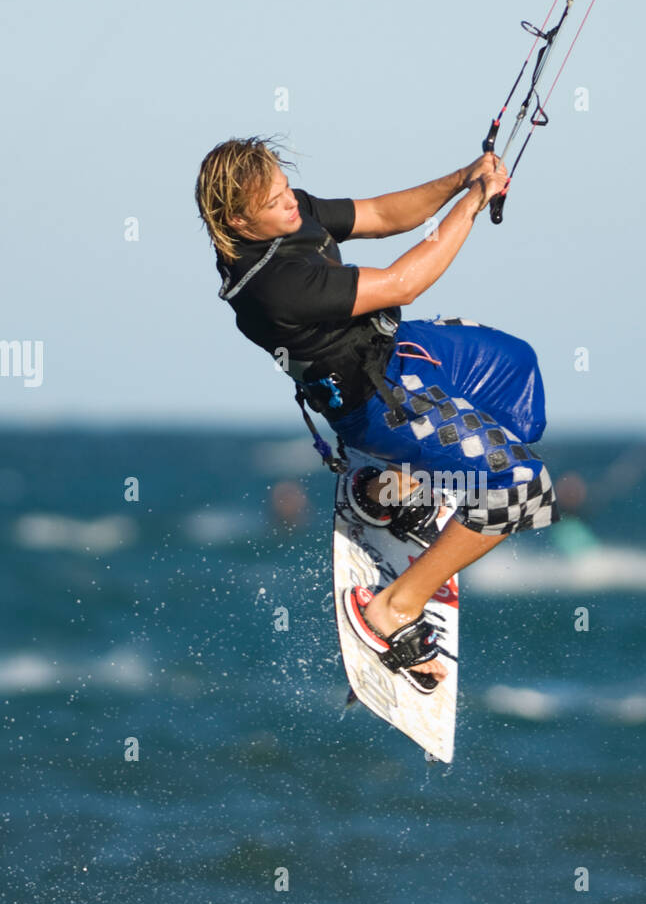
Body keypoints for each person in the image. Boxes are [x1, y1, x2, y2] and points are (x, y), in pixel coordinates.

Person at [195, 137, 559, 691]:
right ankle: (392, 608)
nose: (290, 202)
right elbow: (405, 282)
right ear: (242, 222)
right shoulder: (273, 286)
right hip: (379, 402)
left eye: (284, 186)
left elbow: (385, 215)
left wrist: (463, 176)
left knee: (517, 377)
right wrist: (472, 204)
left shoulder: (291, 215)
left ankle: (391, 488)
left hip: (401, 350)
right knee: (519, 485)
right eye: (273, 202)